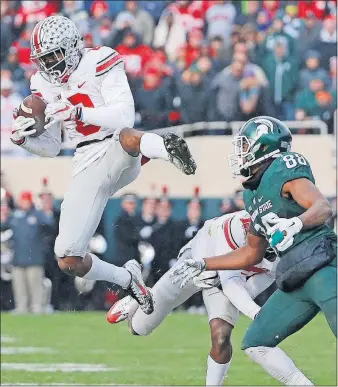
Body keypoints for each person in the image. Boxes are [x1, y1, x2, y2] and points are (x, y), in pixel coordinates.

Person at [10, 16, 197, 316]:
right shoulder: (41, 83)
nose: (48, 66)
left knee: (127, 137)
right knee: (67, 258)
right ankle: (127, 279)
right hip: (85, 163)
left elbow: (125, 115)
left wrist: (79, 111)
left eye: (53, 56)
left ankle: (167, 148)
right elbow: (53, 146)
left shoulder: (100, 59)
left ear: (72, 46)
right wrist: (25, 140)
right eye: (43, 59)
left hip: (114, 147)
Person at [172, 116, 336, 386]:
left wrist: (295, 222)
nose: (241, 152)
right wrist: (204, 264)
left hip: (323, 266)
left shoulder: (284, 167)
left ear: (264, 146)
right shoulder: (252, 194)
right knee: (256, 343)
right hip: (295, 278)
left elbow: (322, 207)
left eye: (245, 145)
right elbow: (251, 253)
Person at [107, 210, 311, 386]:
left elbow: (244, 290)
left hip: (227, 281)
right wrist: (257, 313)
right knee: (138, 328)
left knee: (221, 335)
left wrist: (252, 310)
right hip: (196, 262)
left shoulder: (280, 257)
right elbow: (228, 279)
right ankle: (142, 295)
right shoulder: (234, 226)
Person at [4, 191, 56, 314]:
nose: (24, 204)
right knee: (19, 287)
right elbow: (3, 225)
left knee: (35, 286)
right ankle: (21, 308)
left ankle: (37, 307)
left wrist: (46, 212)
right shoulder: (15, 216)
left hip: (34, 258)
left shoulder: (37, 215)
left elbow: (50, 225)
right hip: (18, 259)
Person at [114, 193, 141, 266]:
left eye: (132, 203)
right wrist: (140, 235)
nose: (131, 206)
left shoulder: (136, 217)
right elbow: (127, 237)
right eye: (129, 203)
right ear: (123, 204)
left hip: (135, 257)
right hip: (125, 258)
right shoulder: (121, 220)